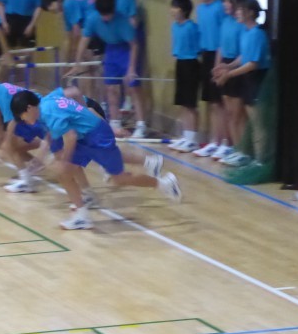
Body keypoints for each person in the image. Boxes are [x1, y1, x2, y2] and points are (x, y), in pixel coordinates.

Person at [11, 89, 182, 230]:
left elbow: (70, 137)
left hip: (97, 137)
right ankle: (82, 216)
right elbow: (72, 100)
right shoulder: (47, 100)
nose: (23, 120)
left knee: (119, 179)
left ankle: (164, 183)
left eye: (22, 116)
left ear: (29, 108)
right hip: (86, 136)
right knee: (64, 174)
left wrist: (64, 161)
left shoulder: (49, 114)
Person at [70, 0, 147, 138]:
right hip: (111, 50)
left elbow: (134, 45)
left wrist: (131, 68)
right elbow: (84, 40)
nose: (106, 18)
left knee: (133, 87)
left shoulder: (123, 21)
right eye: (103, 15)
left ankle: (141, 125)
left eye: (109, 14)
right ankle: (114, 122)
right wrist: (77, 62)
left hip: (126, 50)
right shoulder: (93, 19)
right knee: (110, 88)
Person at [214, 0, 271, 168]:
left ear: (251, 13)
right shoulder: (246, 32)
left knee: (258, 122)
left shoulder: (257, 34)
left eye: (241, 10)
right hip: (248, 80)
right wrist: (228, 65)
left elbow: (253, 64)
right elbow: (244, 57)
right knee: (249, 121)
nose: (237, 13)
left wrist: (229, 75)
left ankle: (260, 160)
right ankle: (247, 154)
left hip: (257, 79)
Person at [96, 0, 141, 117]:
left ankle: (133, 110)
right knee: (111, 84)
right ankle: (114, 118)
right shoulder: (101, 1)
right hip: (111, 43)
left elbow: (133, 20)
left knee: (131, 81)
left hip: (127, 42)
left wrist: (127, 33)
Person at [40, 0, 99, 97]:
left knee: (84, 67)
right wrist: (66, 61)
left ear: (58, 0)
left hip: (97, 30)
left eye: (50, 5)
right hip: (92, 32)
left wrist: (75, 54)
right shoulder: (66, 13)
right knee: (84, 66)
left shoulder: (68, 4)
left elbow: (77, 33)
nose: (50, 9)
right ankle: (88, 98)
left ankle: (89, 99)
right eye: (48, 8)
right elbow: (68, 38)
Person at [210, 0, 246, 161]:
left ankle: (242, 150)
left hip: (237, 67)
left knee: (237, 114)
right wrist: (217, 67)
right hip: (225, 64)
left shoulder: (241, 24)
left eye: (229, 1)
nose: (225, 4)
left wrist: (229, 69)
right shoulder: (224, 21)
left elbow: (244, 53)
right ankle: (231, 146)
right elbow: (221, 47)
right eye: (224, 0)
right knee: (228, 112)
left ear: (237, 4)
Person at [194, 0, 227, 157]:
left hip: (218, 55)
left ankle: (224, 141)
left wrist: (218, 62)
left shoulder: (219, 7)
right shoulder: (200, 9)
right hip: (206, 55)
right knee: (211, 103)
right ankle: (214, 141)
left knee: (219, 103)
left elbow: (223, 35)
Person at [167, 0, 201, 153]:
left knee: (190, 103)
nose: (173, 11)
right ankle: (186, 136)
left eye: (176, 8)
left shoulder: (191, 27)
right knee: (182, 102)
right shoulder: (174, 26)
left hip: (191, 63)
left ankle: (193, 139)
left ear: (184, 10)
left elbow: (198, 47)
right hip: (180, 62)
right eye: (172, 7)